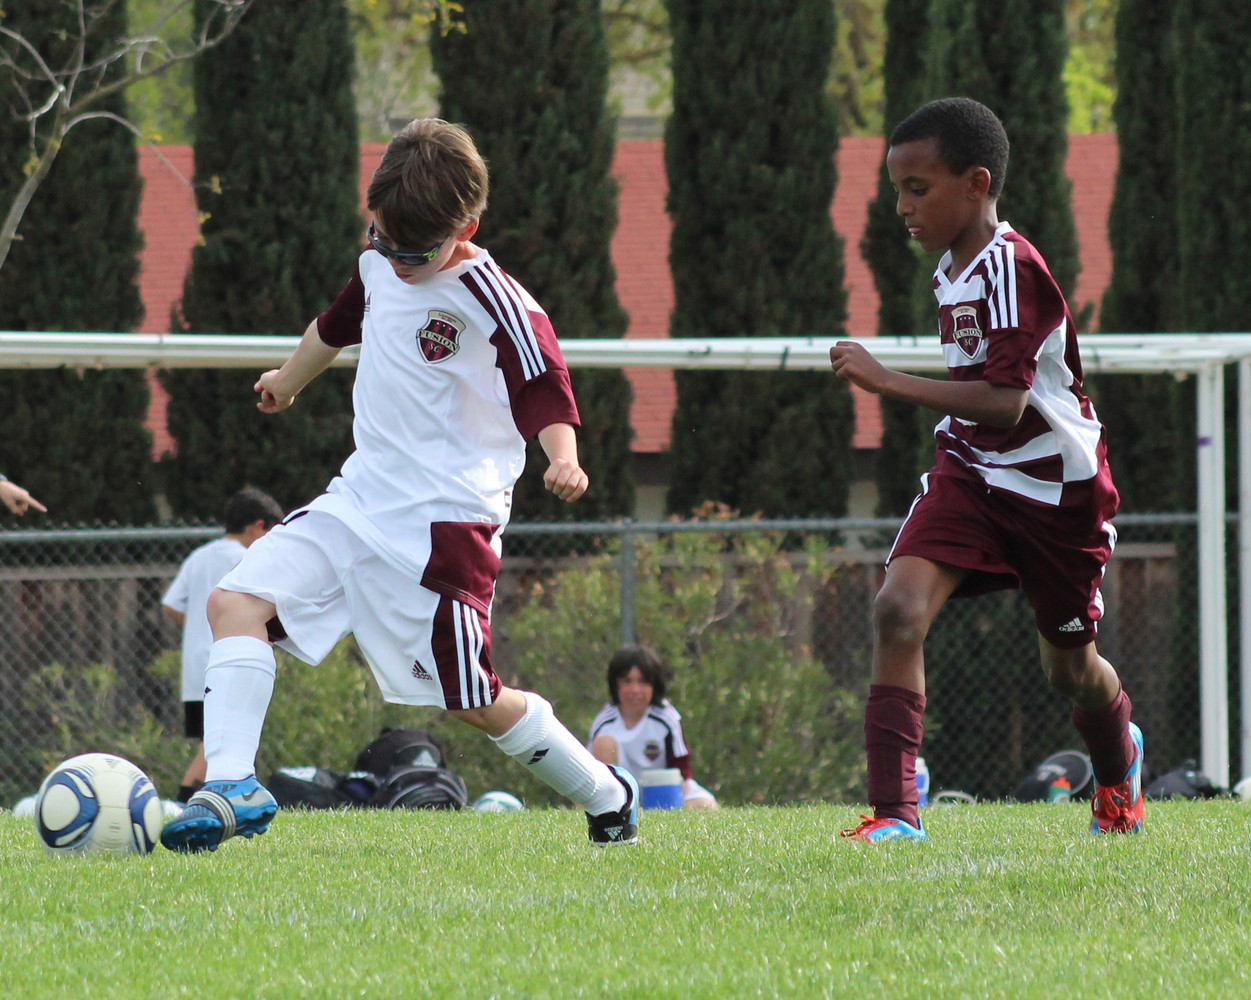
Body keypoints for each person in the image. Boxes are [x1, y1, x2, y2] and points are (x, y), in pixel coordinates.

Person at [160, 118, 639, 853]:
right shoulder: (379, 262)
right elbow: (336, 324)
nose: (392, 259)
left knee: (473, 701)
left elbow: (543, 381)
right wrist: (288, 381)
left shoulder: (496, 298)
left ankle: (608, 795)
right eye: (380, 238)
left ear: (465, 229)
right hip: (357, 501)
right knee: (234, 603)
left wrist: (562, 455)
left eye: (412, 251)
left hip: (443, 531)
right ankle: (230, 785)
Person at [828, 97, 1142, 842]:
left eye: (916, 188)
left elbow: (1005, 402)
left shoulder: (1011, 265)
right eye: (896, 190)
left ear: (975, 183)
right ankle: (895, 816)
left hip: (1056, 492)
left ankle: (1117, 762)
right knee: (897, 610)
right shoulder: (950, 269)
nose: (901, 207)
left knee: (1070, 672)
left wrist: (886, 380)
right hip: (971, 469)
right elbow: (983, 413)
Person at [161, 487, 284, 802]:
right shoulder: (248, 559)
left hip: (194, 667)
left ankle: (208, 800)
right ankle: (183, 803)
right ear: (258, 526)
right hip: (230, 662)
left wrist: (201, 627)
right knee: (218, 743)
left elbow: (171, 604)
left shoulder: (199, 556)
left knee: (214, 741)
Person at [587, 644, 719, 810]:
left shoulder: (666, 718)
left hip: (664, 796)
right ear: (615, 684)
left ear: (655, 685)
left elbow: (682, 772)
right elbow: (588, 774)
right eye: (627, 681)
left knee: (706, 806)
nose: (635, 690)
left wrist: (671, 801)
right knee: (604, 743)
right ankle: (618, 810)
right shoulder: (604, 722)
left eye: (643, 682)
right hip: (621, 800)